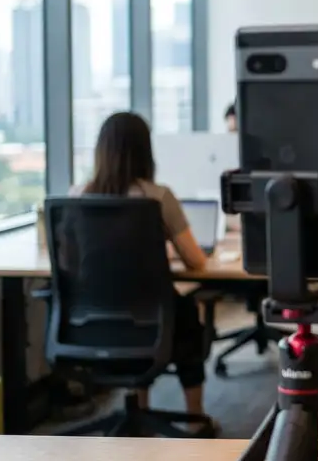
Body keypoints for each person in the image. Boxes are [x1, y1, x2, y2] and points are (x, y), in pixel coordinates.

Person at [73, 111, 215, 431]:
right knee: (186, 314)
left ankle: (139, 412)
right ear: (145, 151)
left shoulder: (77, 197)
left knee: (141, 309)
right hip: (154, 325)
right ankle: (196, 419)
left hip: (90, 324)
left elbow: (74, 260)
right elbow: (197, 261)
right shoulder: (158, 197)